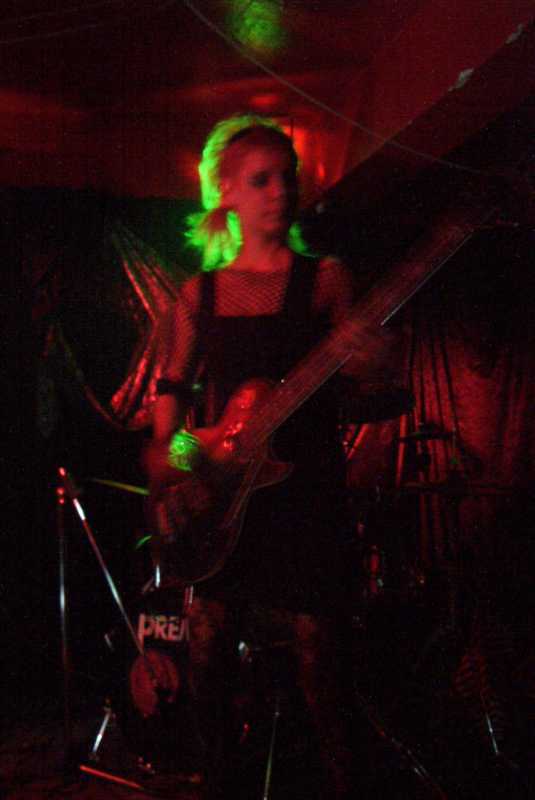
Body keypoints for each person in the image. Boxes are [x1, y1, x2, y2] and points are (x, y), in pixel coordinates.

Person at [144, 113, 388, 798]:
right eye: (261, 180)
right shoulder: (199, 295)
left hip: (308, 498)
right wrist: (187, 453)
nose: (280, 191)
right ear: (224, 192)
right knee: (207, 647)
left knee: (322, 662)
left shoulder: (326, 280)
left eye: (287, 177)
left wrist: (373, 362)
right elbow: (170, 408)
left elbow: (367, 392)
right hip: (230, 502)